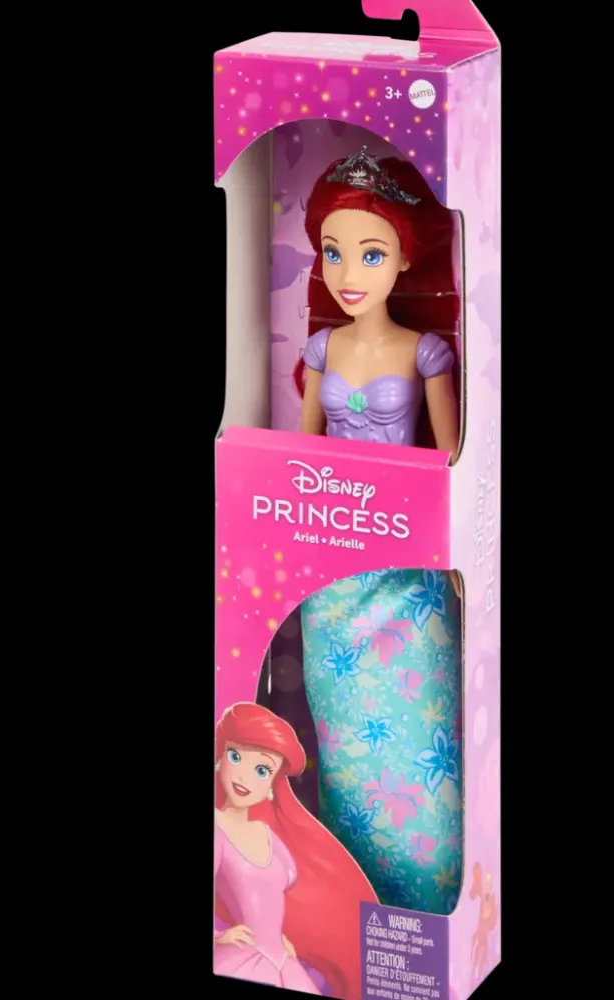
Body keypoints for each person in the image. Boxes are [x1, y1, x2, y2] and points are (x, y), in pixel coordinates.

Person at [295, 147, 464, 915]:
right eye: (333, 252)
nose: (347, 273)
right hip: (332, 571)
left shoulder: (424, 352)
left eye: (370, 253)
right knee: (345, 745)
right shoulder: (322, 349)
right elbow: (302, 452)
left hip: (405, 569)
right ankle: (353, 898)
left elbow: (450, 456)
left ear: (405, 257)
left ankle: (430, 898)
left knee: (419, 734)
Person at [213, 702, 377, 998]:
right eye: (235, 756)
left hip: (283, 959)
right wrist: (218, 935)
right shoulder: (217, 828)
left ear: (273, 784)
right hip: (242, 959)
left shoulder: (268, 834)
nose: (244, 777)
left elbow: (277, 896)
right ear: (219, 757)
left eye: (261, 770)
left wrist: (282, 938)